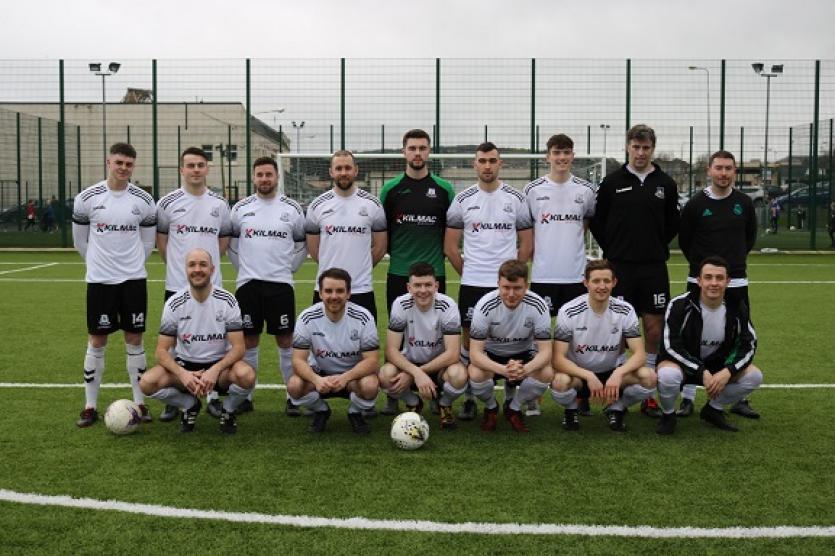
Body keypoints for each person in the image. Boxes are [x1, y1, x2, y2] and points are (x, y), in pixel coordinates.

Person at [589, 124, 679, 418]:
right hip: (620, 266)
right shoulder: (612, 181)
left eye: (646, 148)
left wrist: (651, 246)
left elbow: (671, 225)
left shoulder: (665, 183)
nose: (640, 153)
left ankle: (649, 391)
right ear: (627, 147)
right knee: (619, 329)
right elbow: (598, 222)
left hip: (653, 266)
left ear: (653, 149)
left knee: (653, 326)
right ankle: (619, 387)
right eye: (636, 147)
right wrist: (616, 249)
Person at [445, 142, 533, 421]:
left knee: (510, 335)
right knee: (471, 338)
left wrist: (512, 275)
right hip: (473, 282)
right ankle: (471, 395)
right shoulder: (462, 199)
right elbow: (450, 246)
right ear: (475, 164)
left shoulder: (516, 198)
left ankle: (511, 395)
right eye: (482, 160)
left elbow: (528, 241)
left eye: (492, 160)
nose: (487, 166)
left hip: (506, 284)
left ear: (500, 163)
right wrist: (470, 274)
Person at [71, 142, 156, 427]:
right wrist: (98, 264)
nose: (123, 168)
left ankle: (140, 403)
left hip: (133, 281)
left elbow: (147, 242)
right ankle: (90, 405)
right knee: (97, 340)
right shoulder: (87, 198)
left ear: (134, 166)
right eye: (119, 162)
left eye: (129, 164)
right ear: (109, 162)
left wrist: (131, 266)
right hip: (100, 282)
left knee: (134, 339)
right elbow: (80, 241)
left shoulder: (143, 200)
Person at [379, 129, 455, 416]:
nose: (418, 153)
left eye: (423, 148)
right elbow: (383, 234)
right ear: (404, 152)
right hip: (399, 274)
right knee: (399, 337)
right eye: (412, 148)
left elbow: (451, 234)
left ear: (429, 152)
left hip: (434, 276)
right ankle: (395, 396)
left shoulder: (444, 190)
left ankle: (434, 389)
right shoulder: (391, 190)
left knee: (435, 336)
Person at [677, 150, 759, 418]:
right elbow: (686, 241)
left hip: (735, 280)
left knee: (739, 336)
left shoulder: (744, 203)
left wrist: (730, 267)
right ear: (709, 171)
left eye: (728, 168)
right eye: (719, 168)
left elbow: (749, 238)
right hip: (699, 280)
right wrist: (705, 272)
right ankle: (687, 397)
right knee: (692, 334)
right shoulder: (695, 205)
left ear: (734, 172)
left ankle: (738, 398)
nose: (723, 173)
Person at [139, 248, 255, 434]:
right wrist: (183, 374)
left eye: (203, 264)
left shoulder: (227, 301)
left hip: (220, 368)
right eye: (192, 265)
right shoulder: (174, 303)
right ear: (185, 270)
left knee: (246, 375)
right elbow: (161, 351)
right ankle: (189, 404)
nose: (197, 269)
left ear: (212, 269)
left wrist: (215, 370)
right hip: (185, 366)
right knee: (147, 382)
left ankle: (229, 409)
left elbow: (239, 348)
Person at [156, 146, 233, 422]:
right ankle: (177, 399)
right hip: (177, 283)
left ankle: (212, 396)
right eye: (190, 165)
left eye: (201, 165)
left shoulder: (219, 204)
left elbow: (223, 242)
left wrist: (206, 269)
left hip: (212, 287)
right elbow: (162, 242)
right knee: (175, 343)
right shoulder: (166, 203)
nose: (196, 170)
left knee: (214, 341)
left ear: (207, 169)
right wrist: (179, 267)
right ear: (182, 169)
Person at [524, 133, 596, 417]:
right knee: (535, 337)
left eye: (566, 152)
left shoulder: (585, 191)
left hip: (576, 276)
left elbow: (585, 224)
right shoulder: (533, 190)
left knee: (578, 339)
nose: (562, 158)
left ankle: (581, 393)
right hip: (543, 275)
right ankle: (530, 395)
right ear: (547, 157)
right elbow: (527, 231)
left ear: (572, 156)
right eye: (557, 152)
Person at [228, 156, 307, 417]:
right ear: (254, 177)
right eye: (260, 174)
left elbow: (300, 245)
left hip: (281, 285)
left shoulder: (292, 209)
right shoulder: (240, 208)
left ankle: (292, 397)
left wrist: (287, 269)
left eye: (268, 174)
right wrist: (246, 270)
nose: (264, 179)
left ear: (276, 177)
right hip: (248, 285)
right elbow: (232, 246)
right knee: (249, 340)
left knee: (285, 340)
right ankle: (246, 397)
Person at [656, 256, 763, 435]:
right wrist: (700, 370)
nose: (714, 283)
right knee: (667, 375)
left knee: (754, 376)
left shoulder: (737, 306)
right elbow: (670, 346)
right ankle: (668, 415)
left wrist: (728, 370)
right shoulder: (680, 305)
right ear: (699, 280)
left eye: (719, 278)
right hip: (685, 366)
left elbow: (748, 344)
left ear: (728, 281)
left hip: (718, 367)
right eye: (708, 277)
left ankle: (713, 409)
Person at [550, 259, 656, 432]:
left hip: (612, 373)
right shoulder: (568, 311)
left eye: (606, 281)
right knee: (560, 382)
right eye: (596, 281)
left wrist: (619, 373)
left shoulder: (625, 310)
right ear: (586, 283)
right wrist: (589, 376)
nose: (602, 286)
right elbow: (558, 358)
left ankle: (616, 408)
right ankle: (571, 409)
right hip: (579, 375)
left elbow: (639, 354)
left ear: (614, 282)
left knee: (649, 377)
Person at [287, 268, 380, 434]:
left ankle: (355, 412)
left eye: (340, 291)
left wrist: (346, 378)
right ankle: (321, 410)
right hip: (320, 374)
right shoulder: (307, 317)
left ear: (349, 293)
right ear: (320, 293)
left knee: (370, 385)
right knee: (294, 386)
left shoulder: (363, 317)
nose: (334, 296)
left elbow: (372, 360)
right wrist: (316, 380)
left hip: (352, 376)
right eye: (328, 291)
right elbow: (297, 360)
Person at [467, 259, 552, 432]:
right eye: (506, 288)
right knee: (475, 372)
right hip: (492, 353)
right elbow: (475, 353)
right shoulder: (485, 305)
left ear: (526, 286)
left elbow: (546, 352)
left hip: (523, 353)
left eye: (517, 288)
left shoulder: (538, 305)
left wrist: (524, 370)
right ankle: (491, 407)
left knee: (546, 372)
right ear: (498, 284)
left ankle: (513, 408)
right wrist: (503, 370)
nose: (511, 294)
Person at [379, 262, 467, 430]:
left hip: (441, 367)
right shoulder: (400, 304)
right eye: (417, 285)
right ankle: (414, 403)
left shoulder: (447, 306)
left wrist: (419, 373)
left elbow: (453, 354)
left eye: (428, 285)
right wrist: (414, 372)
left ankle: (444, 404)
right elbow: (391, 350)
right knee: (385, 375)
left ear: (436, 286)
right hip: (411, 365)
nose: (423, 290)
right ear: (409, 287)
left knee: (459, 375)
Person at [305, 150, 387, 322]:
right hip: (327, 289)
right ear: (331, 171)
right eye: (339, 168)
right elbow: (313, 249)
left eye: (348, 168)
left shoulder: (373, 204)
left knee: (364, 345)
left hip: (361, 288)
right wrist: (332, 271)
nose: (343, 172)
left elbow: (380, 247)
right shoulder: (317, 205)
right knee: (323, 345)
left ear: (356, 170)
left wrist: (361, 267)